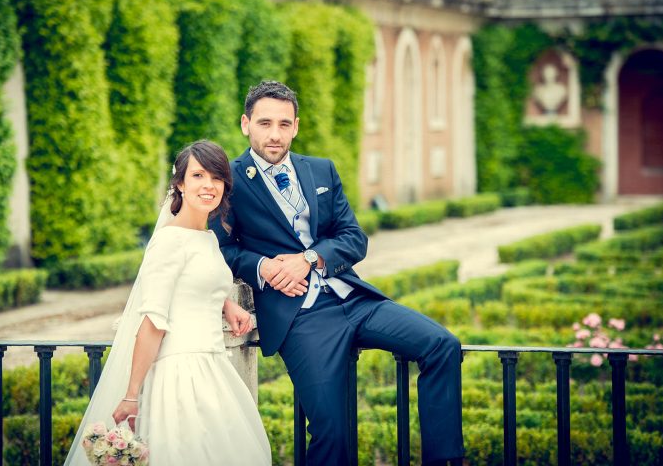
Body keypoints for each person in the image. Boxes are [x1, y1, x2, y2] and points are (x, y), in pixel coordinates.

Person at [209, 81, 465, 466]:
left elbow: (353, 239)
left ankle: (444, 460)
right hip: (300, 317)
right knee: (332, 432)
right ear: (246, 124)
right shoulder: (228, 180)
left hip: (354, 300)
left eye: (283, 123)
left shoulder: (321, 169)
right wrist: (264, 266)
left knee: (442, 344)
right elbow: (221, 250)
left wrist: (308, 258)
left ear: (296, 126)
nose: (274, 134)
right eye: (264, 123)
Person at [65, 140, 272, 466]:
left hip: (213, 366)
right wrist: (132, 395)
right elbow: (153, 322)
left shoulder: (207, 238)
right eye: (198, 176)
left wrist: (225, 303)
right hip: (181, 376)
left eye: (217, 178)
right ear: (180, 184)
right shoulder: (168, 241)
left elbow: (194, 282)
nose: (209, 185)